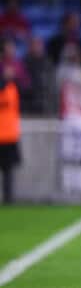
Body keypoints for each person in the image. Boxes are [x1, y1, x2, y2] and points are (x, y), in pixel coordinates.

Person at [0, 72, 21, 204]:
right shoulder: (12, 89)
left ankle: (8, 198)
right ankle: (8, 198)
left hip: (9, 136)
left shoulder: (12, 89)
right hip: (9, 136)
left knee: (8, 171)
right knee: (8, 171)